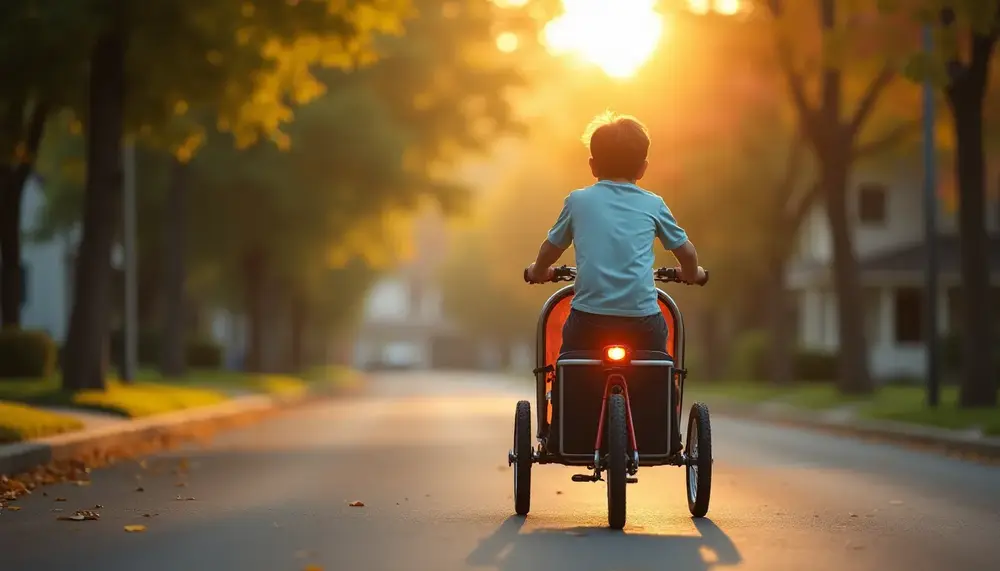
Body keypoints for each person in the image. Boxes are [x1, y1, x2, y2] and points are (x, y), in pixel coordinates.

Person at [524, 110, 704, 439]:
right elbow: (687, 253)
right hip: (642, 319)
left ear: (593, 165)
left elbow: (551, 248)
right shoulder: (653, 204)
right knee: (660, 370)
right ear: (643, 168)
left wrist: (538, 271)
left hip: (589, 319)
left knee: (569, 368)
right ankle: (664, 436)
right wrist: (692, 274)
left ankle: (565, 433)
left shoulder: (578, 201)